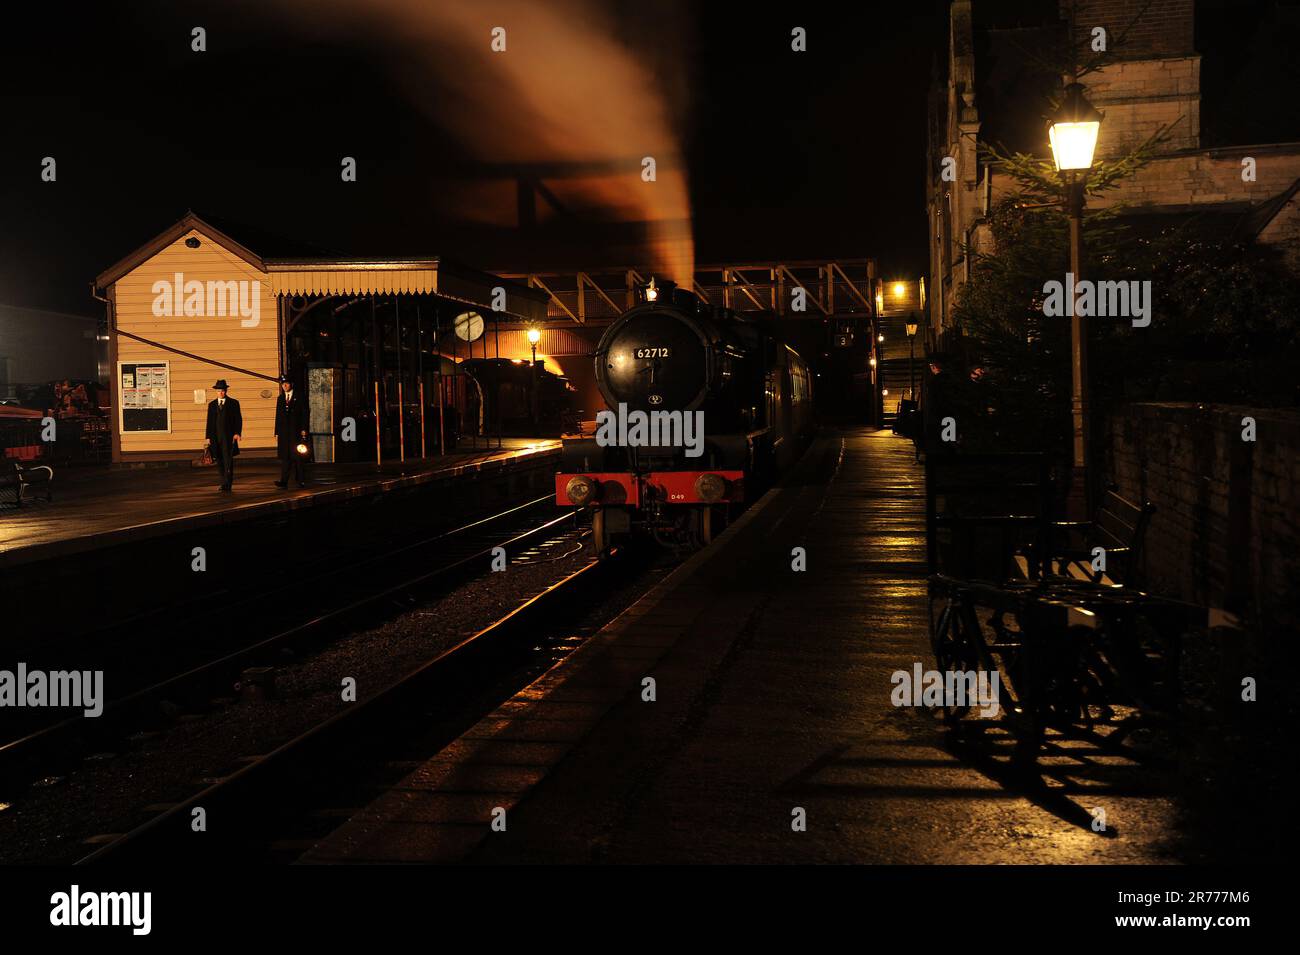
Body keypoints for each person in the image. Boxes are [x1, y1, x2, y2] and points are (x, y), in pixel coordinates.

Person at [204, 379, 242, 491]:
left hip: (228, 437)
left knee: (228, 460)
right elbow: (209, 422)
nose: (221, 393)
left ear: (226, 391)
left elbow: (238, 419)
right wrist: (208, 437)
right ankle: (223, 481)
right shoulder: (212, 405)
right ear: (216, 391)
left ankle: (228, 483)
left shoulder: (233, 403)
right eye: (219, 391)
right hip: (216, 437)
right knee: (219, 460)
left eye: (223, 390)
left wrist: (237, 433)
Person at [274, 375, 309, 489]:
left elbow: (305, 413)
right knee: (286, 457)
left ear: (291, 384)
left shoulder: (299, 397)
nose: (284, 386)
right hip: (284, 433)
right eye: (283, 384)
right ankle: (283, 481)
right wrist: (277, 431)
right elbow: (278, 416)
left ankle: (301, 480)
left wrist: (304, 429)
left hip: (296, 432)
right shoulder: (280, 398)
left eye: (287, 383)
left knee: (298, 457)